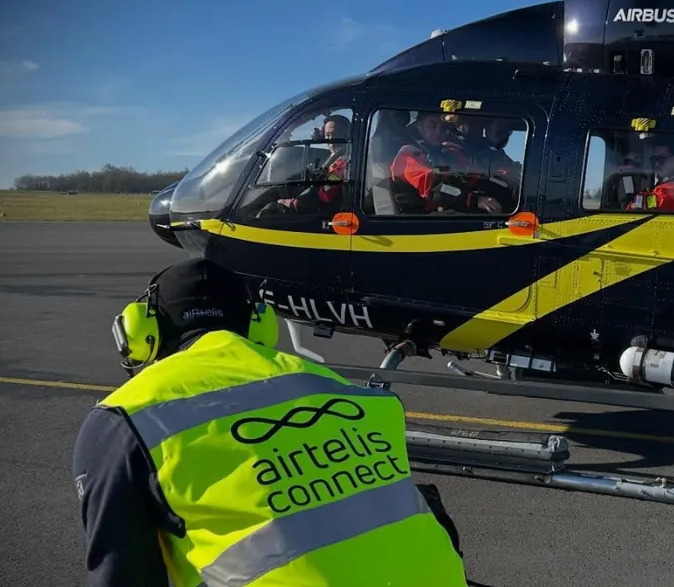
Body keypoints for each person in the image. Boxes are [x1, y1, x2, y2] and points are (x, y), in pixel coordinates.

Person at [72, 257, 467, 587]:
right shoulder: (343, 390)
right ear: (260, 324)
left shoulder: (128, 418)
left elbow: (120, 575)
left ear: (141, 333)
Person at [390, 111, 507, 214]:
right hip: (418, 220)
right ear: (419, 126)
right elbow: (435, 189)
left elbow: (471, 174)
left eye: (443, 127)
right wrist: (475, 199)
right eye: (433, 125)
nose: (438, 131)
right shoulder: (409, 154)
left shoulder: (447, 152)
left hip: (442, 210)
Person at [625, 135, 674, 212]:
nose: (656, 164)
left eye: (661, 159)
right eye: (654, 159)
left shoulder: (665, 192)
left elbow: (631, 213)